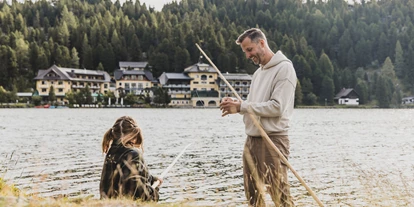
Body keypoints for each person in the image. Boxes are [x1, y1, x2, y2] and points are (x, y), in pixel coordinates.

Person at [220, 28, 296, 207]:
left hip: (273, 140)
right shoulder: (258, 73)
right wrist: (237, 106)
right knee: (253, 197)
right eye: (245, 51)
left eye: (249, 49)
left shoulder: (284, 68)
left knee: (281, 197)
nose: (248, 55)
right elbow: (255, 106)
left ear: (262, 43)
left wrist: (242, 106)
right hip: (251, 140)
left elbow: (277, 107)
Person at [99, 116, 162, 201]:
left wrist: (152, 179)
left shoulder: (111, 153)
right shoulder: (133, 154)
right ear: (134, 134)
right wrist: (155, 191)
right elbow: (142, 197)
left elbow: (125, 178)